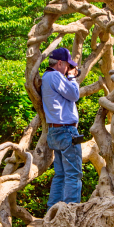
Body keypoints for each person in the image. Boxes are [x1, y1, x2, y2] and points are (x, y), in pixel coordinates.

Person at [41, 47, 83, 210]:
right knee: (73, 175)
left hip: (55, 131)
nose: (69, 69)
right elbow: (74, 95)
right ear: (60, 63)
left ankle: (53, 212)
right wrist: (72, 77)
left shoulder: (47, 76)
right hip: (66, 131)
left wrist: (69, 76)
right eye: (68, 66)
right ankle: (70, 214)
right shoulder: (56, 76)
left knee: (60, 175)